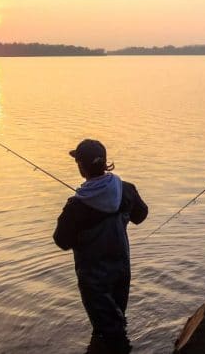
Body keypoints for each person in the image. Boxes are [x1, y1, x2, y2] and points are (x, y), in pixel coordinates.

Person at [53, 139, 148, 353]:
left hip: (94, 281)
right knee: (114, 323)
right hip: (122, 271)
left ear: (81, 167)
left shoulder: (76, 207)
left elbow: (61, 241)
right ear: (105, 163)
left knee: (112, 333)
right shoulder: (126, 190)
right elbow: (141, 215)